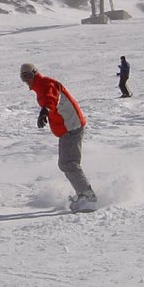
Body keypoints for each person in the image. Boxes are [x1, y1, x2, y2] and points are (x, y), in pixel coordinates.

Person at [20, 63, 98, 213]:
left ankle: (88, 197)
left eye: (28, 76)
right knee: (66, 163)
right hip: (67, 127)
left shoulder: (46, 83)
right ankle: (84, 193)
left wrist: (45, 110)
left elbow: (51, 99)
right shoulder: (39, 86)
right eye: (23, 77)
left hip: (72, 126)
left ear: (35, 73)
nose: (27, 80)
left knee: (68, 163)